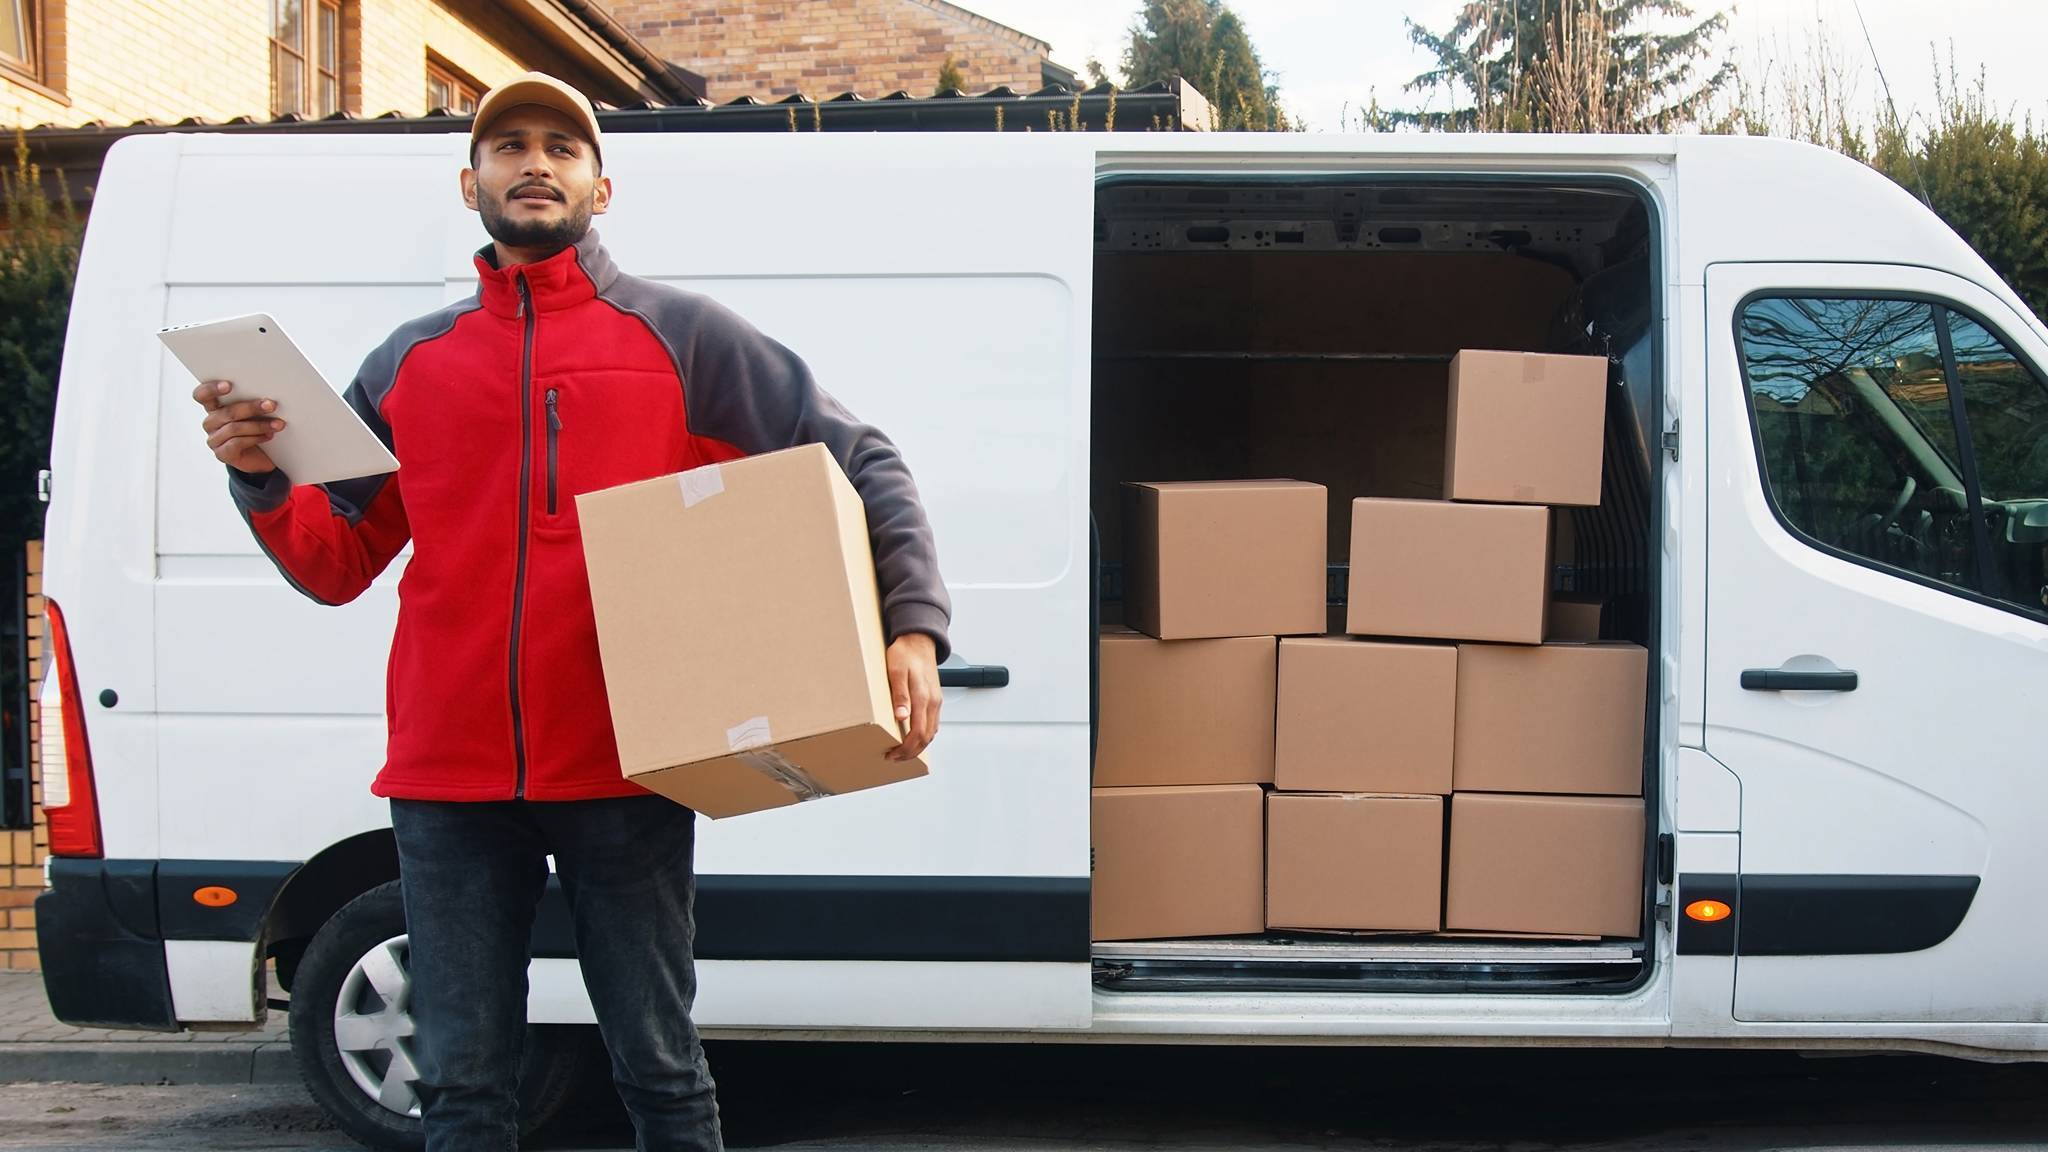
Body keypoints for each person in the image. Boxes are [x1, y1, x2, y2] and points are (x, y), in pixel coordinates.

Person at [192, 71, 949, 1152]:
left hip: (625, 766)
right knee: (459, 1087)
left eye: (560, 146)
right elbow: (336, 562)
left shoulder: (680, 337)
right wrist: (264, 478)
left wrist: (909, 627)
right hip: (448, 777)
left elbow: (862, 459)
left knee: (657, 1068)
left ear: (603, 185)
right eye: (509, 148)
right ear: (470, 184)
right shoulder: (409, 365)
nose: (535, 163)